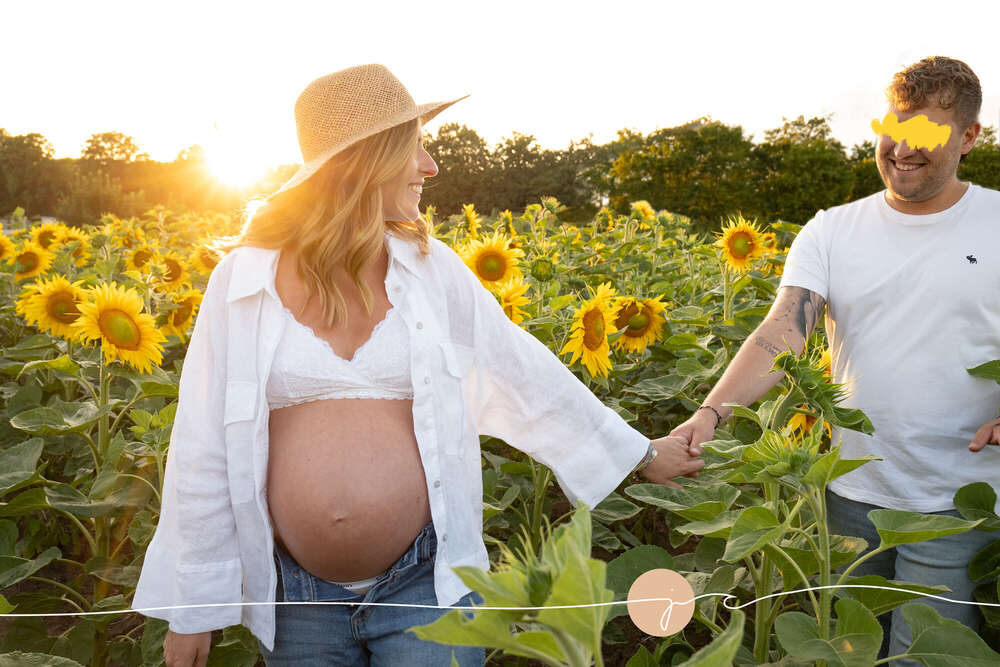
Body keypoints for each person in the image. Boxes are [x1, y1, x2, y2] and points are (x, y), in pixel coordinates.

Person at [131, 64, 705, 667]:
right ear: (365, 163)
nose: (431, 167)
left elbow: (523, 371)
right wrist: (191, 611)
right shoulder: (243, 281)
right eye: (416, 148)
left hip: (426, 586)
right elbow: (200, 444)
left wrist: (644, 454)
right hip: (297, 598)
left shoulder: (432, 271)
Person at [670, 55, 1000, 661]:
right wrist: (709, 416)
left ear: (970, 136)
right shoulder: (833, 230)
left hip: (960, 501)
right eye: (893, 125)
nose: (902, 146)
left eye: (925, 130)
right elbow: (783, 331)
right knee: (846, 652)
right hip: (849, 496)